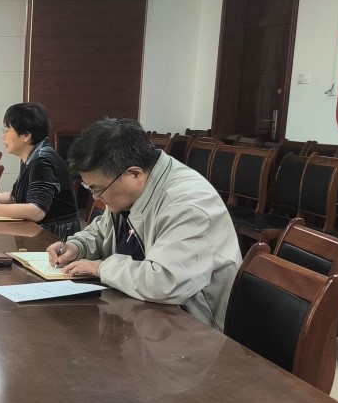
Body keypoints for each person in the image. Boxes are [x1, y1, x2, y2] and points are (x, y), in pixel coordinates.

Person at [45, 117, 241, 329]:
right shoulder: (131, 189)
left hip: (192, 328)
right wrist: (77, 246)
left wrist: (101, 267)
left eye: (97, 189)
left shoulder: (188, 204)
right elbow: (103, 231)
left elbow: (165, 282)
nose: (95, 197)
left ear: (134, 173)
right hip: (140, 315)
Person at [0, 103, 79, 237]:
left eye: (7, 130)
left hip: (54, 236)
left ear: (26, 135)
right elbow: (14, 197)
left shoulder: (42, 160)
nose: (3, 136)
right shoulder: (33, 156)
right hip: (37, 230)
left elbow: (36, 211)